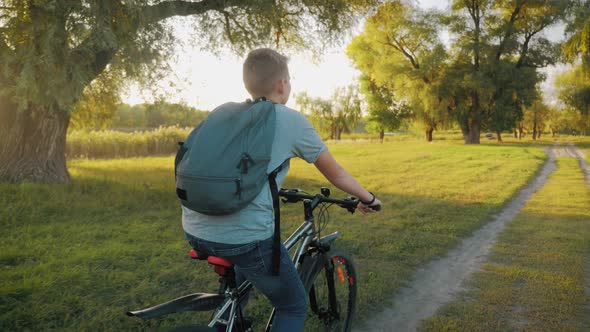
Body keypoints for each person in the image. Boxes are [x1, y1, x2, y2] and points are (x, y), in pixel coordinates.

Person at [182, 48, 381, 332]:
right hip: (245, 239)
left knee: (241, 276)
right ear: (282, 84)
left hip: (195, 229)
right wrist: (368, 198)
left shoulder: (225, 115)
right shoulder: (288, 119)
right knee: (292, 305)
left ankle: (227, 323)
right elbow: (336, 173)